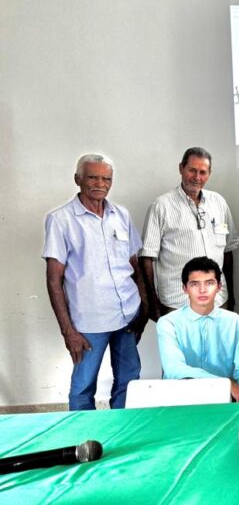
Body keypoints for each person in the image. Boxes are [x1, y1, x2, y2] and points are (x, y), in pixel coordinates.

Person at [43, 154, 147, 410]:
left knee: (129, 380)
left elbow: (134, 265)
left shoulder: (121, 214)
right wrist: (68, 331)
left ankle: (122, 427)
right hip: (89, 322)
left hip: (127, 315)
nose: (100, 184)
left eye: (106, 178)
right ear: (77, 179)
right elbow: (54, 280)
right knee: (83, 386)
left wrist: (143, 307)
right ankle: (84, 433)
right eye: (93, 177)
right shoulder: (61, 220)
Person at [140, 147, 239, 319]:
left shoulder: (219, 203)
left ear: (209, 174)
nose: (197, 177)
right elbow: (146, 257)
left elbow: (228, 251)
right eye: (192, 170)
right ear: (181, 168)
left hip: (217, 300)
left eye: (203, 172)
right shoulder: (161, 206)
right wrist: (152, 301)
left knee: (218, 339)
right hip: (178, 302)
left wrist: (230, 294)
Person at [157, 257, 239, 402]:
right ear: (185, 289)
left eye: (209, 283)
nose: (202, 290)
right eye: (194, 284)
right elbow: (174, 369)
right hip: (181, 398)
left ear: (219, 287)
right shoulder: (168, 322)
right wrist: (226, 384)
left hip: (222, 399)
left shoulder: (233, 320)